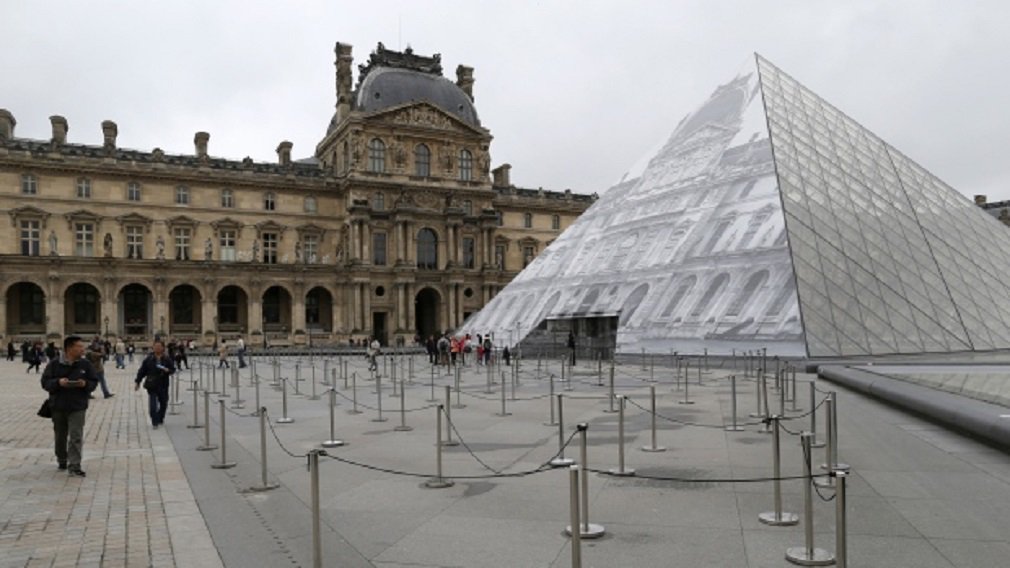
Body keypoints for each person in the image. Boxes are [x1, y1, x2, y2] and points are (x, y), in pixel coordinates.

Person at [41, 335, 98, 476]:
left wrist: (85, 384)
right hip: (58, 405)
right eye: (79, 346)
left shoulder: (85, 364)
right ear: (69, 348)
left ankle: (75, 465)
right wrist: (58, 382)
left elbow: (94, 381)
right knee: (60, 436)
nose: (82, 349)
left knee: (76, 435)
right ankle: (62, 458)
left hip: (77, 405)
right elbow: (45, 382)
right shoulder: (54, 364)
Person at [134, 340, 176, 429]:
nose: (157, 348)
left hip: (163, 384)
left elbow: (173, 369)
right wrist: (138, 381)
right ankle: (154, 421)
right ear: (153, 347)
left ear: (163, 348)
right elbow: (142, 371)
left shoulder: (167, 358)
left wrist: (168, 371)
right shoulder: (148, 359)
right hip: (152, 383)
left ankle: (160, 417)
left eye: (159, 346)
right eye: (155, 346)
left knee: (164, 402)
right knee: (153, 405)